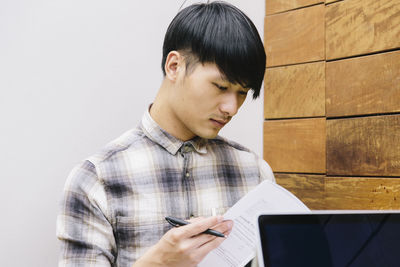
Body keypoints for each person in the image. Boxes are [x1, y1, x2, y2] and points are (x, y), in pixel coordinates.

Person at [57, 1, 275, 266]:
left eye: (242, 93)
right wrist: (157, 263)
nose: (232, 108)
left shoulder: (254, 173)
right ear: (174, 66)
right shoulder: (96, 180)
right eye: (221, 86)